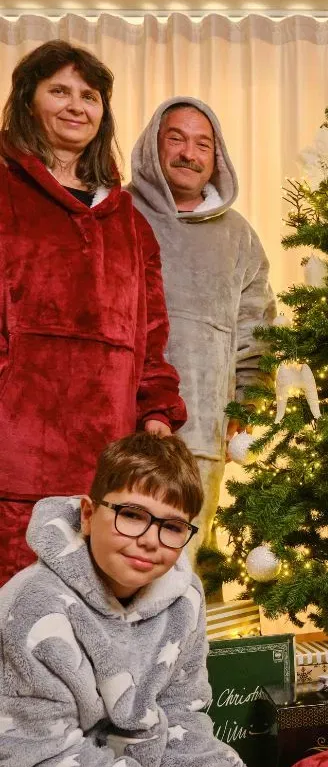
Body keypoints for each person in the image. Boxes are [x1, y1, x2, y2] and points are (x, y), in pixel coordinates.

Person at [0, 40, 186, 587]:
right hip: (14, 453)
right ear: (28, 100)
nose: (76, 106)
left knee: (94, 610)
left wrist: (156, 411)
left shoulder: (129, 219)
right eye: (59, 91)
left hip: (106, 463)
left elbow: (151, 334)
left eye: (90, 96)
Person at [0, 432, 246, 767]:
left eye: (172, 526)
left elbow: (182, 712)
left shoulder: (185, 598)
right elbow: (39, 757)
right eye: (131, 515)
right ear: (88, 515)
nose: (149, 540)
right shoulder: (34, 607)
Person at [127, 97, 276, 570]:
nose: (188, 153)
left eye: (202, 144)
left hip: (202, 434)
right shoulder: (118, 215)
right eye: (176, 139)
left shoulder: (239, 236)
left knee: (181, 564)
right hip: (120, 429)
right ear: (153, 145)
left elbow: (257, 328)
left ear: (217, 158)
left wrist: (247, 403)